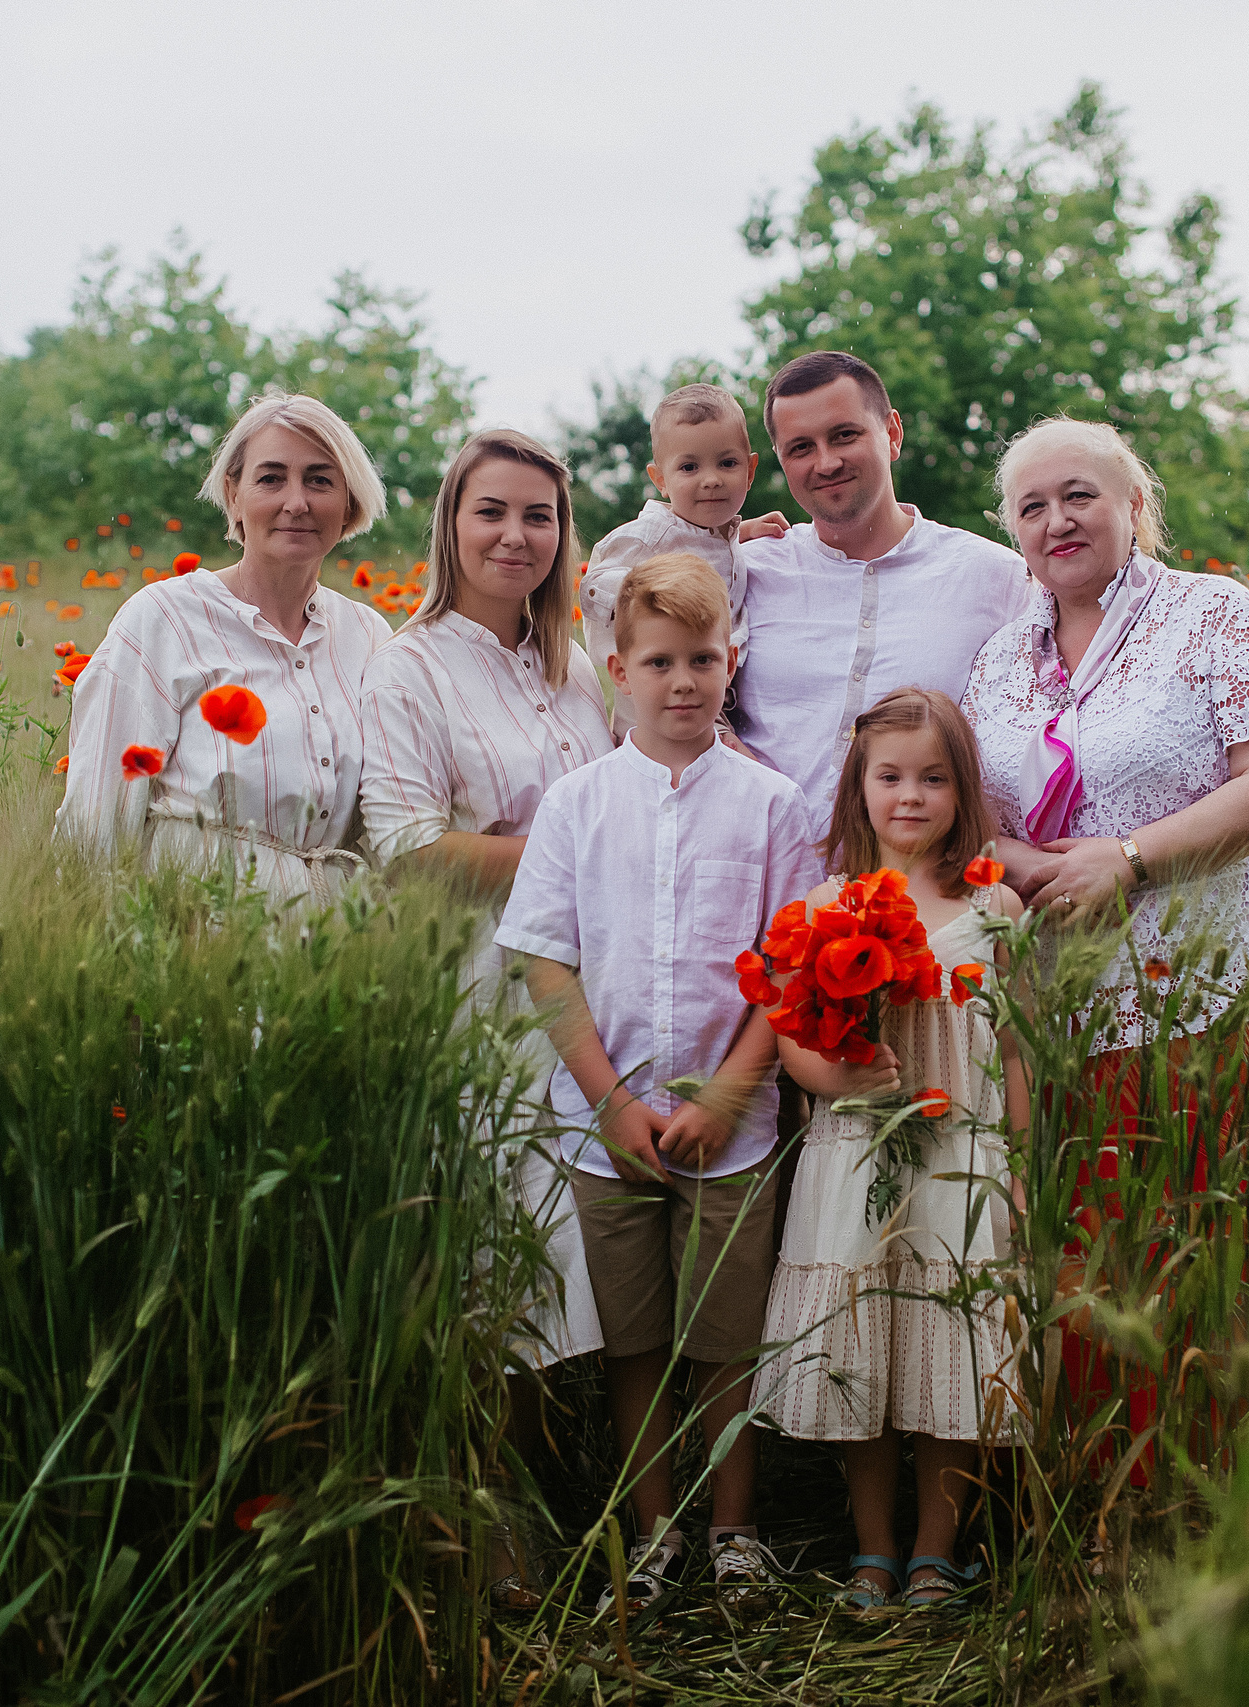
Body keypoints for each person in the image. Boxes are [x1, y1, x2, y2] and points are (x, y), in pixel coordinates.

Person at [959, 415, 1249, 1465]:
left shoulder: (1211, 615)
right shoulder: (1000, 659)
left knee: (1218, 1242)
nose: (1056, 519)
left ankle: (1219, 1493)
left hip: (1216, 991)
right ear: (1012, 534)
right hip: (1064, 1002)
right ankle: (1105, 1497)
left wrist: (1127, 859)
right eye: (1031, 506)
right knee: (1089, 1252)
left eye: (1079, 495)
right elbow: (983, 819)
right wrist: (1032, 869)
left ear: (1133, 509)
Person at [494, 552, 821, 1621]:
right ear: (618, 669)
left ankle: (733, 1533)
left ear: (731, 663)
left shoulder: (774, 808)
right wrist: (608, 1100)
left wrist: (728, 1093)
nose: (682, 682)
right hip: (608, 1129)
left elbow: (787, 970)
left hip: (734, 1127)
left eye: (701, 661)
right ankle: (654, 1531)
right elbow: (547, 957)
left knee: (722, 1340)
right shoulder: (577, 804)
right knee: (635, 1341)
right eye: (658, 663)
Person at [356, 427, 614, 1608]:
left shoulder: (574, 665)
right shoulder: (409, 668)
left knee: (580, 1247)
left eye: (540, 517)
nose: (516, 536)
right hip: (481, 987)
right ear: (449, 524)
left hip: (595, 985)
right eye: (491, 513)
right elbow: (408, 845)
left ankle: (584, 1498)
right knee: (495, 1259)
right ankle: (485, 1516)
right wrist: (579, 854)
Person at [755, 686, 1029, 1613]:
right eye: (890, 776)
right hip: (856, 1155)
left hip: (960, 1158)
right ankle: (872, 1548)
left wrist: (1021, 1172)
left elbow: (1019, 1047)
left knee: (950, 1342)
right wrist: (835, 1077)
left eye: (934, 778)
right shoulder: (827, 902)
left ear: (963, 791)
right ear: (858, 786)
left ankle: (934, 1551)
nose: (909, 796)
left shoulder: (993, 905)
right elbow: (791, 1034)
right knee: (860, 1350)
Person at [56, 395, 390, 901]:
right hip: (195, 932)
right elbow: (97, 816)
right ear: (233, 495)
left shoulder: (367, 636)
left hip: (335, 944)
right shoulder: (163, 621)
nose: (296, 502)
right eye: (271, 478)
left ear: (349, 503)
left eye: (320, 480)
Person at [730, 351, 1030, 817]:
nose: (826, 463)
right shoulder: (744, 572)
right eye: (801, 448)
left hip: (920, 882)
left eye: (844, 435)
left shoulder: (995, 576)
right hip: (762, 874)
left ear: (892, 433)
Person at [576, 383, 759, 647]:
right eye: (689, 467)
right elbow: (593, 588)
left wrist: (744, 532)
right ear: (660, 479)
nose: (711, 479)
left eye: (727, 463)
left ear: (750, 471)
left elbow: (704, 542)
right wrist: (659, 593)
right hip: (661, 682)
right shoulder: (651, 535)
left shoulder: (722, 532)